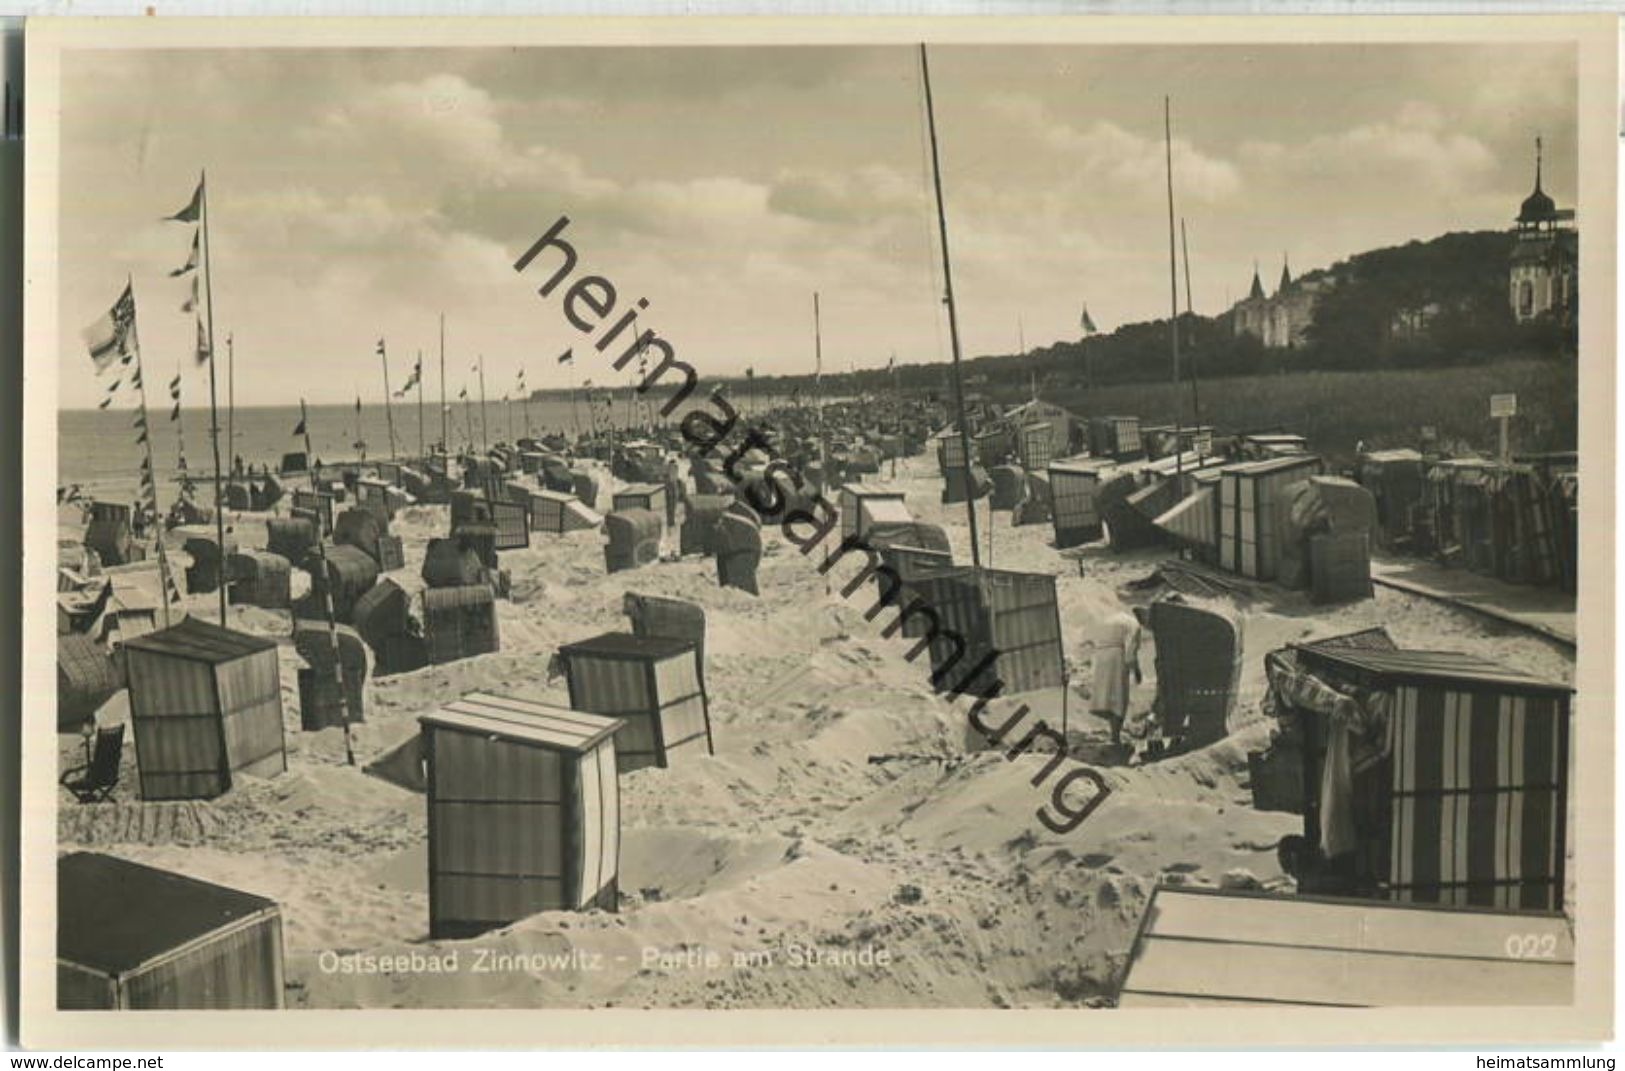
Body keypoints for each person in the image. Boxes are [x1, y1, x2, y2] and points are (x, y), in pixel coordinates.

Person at [1088, 605, 1143, 747]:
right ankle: (1115, 737)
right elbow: (1131, 650)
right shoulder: (1134, 624)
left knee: (1106, 696)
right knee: (1119, 697)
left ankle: (1113, 734)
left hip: (1101, 656)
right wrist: (1136, 670)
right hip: (1116, 657)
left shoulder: (1107, 620)